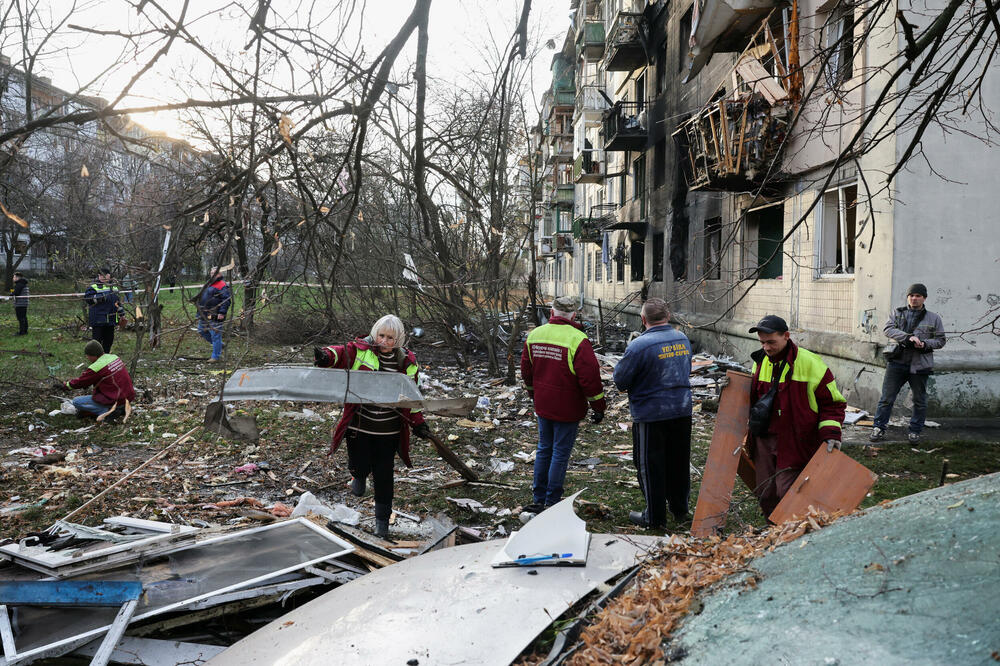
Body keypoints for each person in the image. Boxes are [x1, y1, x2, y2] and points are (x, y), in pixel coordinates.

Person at [313, 315, 431, 538]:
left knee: (384, 477)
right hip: (360, 427)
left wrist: (419, 422)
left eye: (390, 338)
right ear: (374, 334)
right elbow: (339, 353)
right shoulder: (361, 350)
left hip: (389, 432)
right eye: (381, 336)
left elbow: (413, 397)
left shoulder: (406, 362)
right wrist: (326, 356)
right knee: (359, 463)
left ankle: (382, 524)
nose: (384, 341)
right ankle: (358, 475)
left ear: (398, 340)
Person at [747, 315, 846, 518]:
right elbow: (753, 399)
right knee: (765, 491)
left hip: (795, 440)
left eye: (771, 342)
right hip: (765, 438)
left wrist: (831, 433)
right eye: (762, 342)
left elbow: (833, 403)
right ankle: (773, 532)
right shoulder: (760, 361)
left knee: (788, 492)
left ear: (786, 336)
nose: (766, 348)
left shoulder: (811, 364)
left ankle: (792, 533)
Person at [520, 296, 606, 514]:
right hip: (568, 408)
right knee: (559, 452)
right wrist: (598, 407)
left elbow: (526, 371)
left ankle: (538, 498)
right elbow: (590, 378)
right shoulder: (578, 339)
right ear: (574, 315)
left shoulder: (534, 335)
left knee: (543, 449)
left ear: (552, 312)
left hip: (543, 404)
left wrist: (533, 395)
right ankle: (551, 501)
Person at [613, 298, 693, 529]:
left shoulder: (639, 346)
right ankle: (680, 509)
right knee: (679, 461)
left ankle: (654, 517)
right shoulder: (682, 339)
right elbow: (685, 370)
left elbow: (620, 380)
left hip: (651, 413)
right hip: (681, 409)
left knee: (650, 466)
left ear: (643, 319)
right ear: (667, 317)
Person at [871, 283, 947, 443]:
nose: (914, 298)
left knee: (919, 400)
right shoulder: (897, 313)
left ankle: (915, 431)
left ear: (924, 298)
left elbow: (940, 340)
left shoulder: (934, 318)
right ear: (908, 297)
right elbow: (888, 329)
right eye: (911, 295)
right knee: (886, 398)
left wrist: (925, 344)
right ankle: (878, 427)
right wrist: (907, 337)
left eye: (918, 295)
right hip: (897, 362)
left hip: (920, 364)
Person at [56, 339, 135, 420]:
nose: (87, 357)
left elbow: (80, 382)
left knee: (76, 401)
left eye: (88, 355)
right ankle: (120, 408)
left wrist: (66, 385)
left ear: (93, 355)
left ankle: (107, 412)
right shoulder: (114, 357)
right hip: (128, 397)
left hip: (114, 399)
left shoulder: (96, 367)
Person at [85, 268, 124, 353]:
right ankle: (96, 360)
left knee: (109, 341)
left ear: (109, 275)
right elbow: (88, 299)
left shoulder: (114, 288)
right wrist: (99, 298)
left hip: (111, 320)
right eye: (100, 275)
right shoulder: (93, 287)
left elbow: (118, 302)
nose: (102, 277)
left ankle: (105, 358)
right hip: (98, 320)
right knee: (97, 343)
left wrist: (121, 312)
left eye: (105, 275)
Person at [197, 268, 232, 362]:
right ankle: (219, 345)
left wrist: (222, 312)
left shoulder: (222, 285)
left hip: (215, 314)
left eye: (215, 273)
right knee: (201, 331)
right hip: (203, 313)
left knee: (215, 336)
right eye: (211, 273)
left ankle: (215, 357)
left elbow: (226, 300)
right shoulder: (209, 283)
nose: (212, 274)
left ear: (219, 274)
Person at [11, 271, 29, 335]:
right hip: (24, 303)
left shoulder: (19, 284)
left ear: (17, 278)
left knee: (21, 318)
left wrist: (11, 294)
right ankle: (25, 331)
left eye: (14, 277)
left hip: (20, 304)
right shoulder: (22, 284)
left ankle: (22, 332)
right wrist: (12, 292)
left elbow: (16, 293)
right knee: (24, 317)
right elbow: (14, 291)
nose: (13, 278)